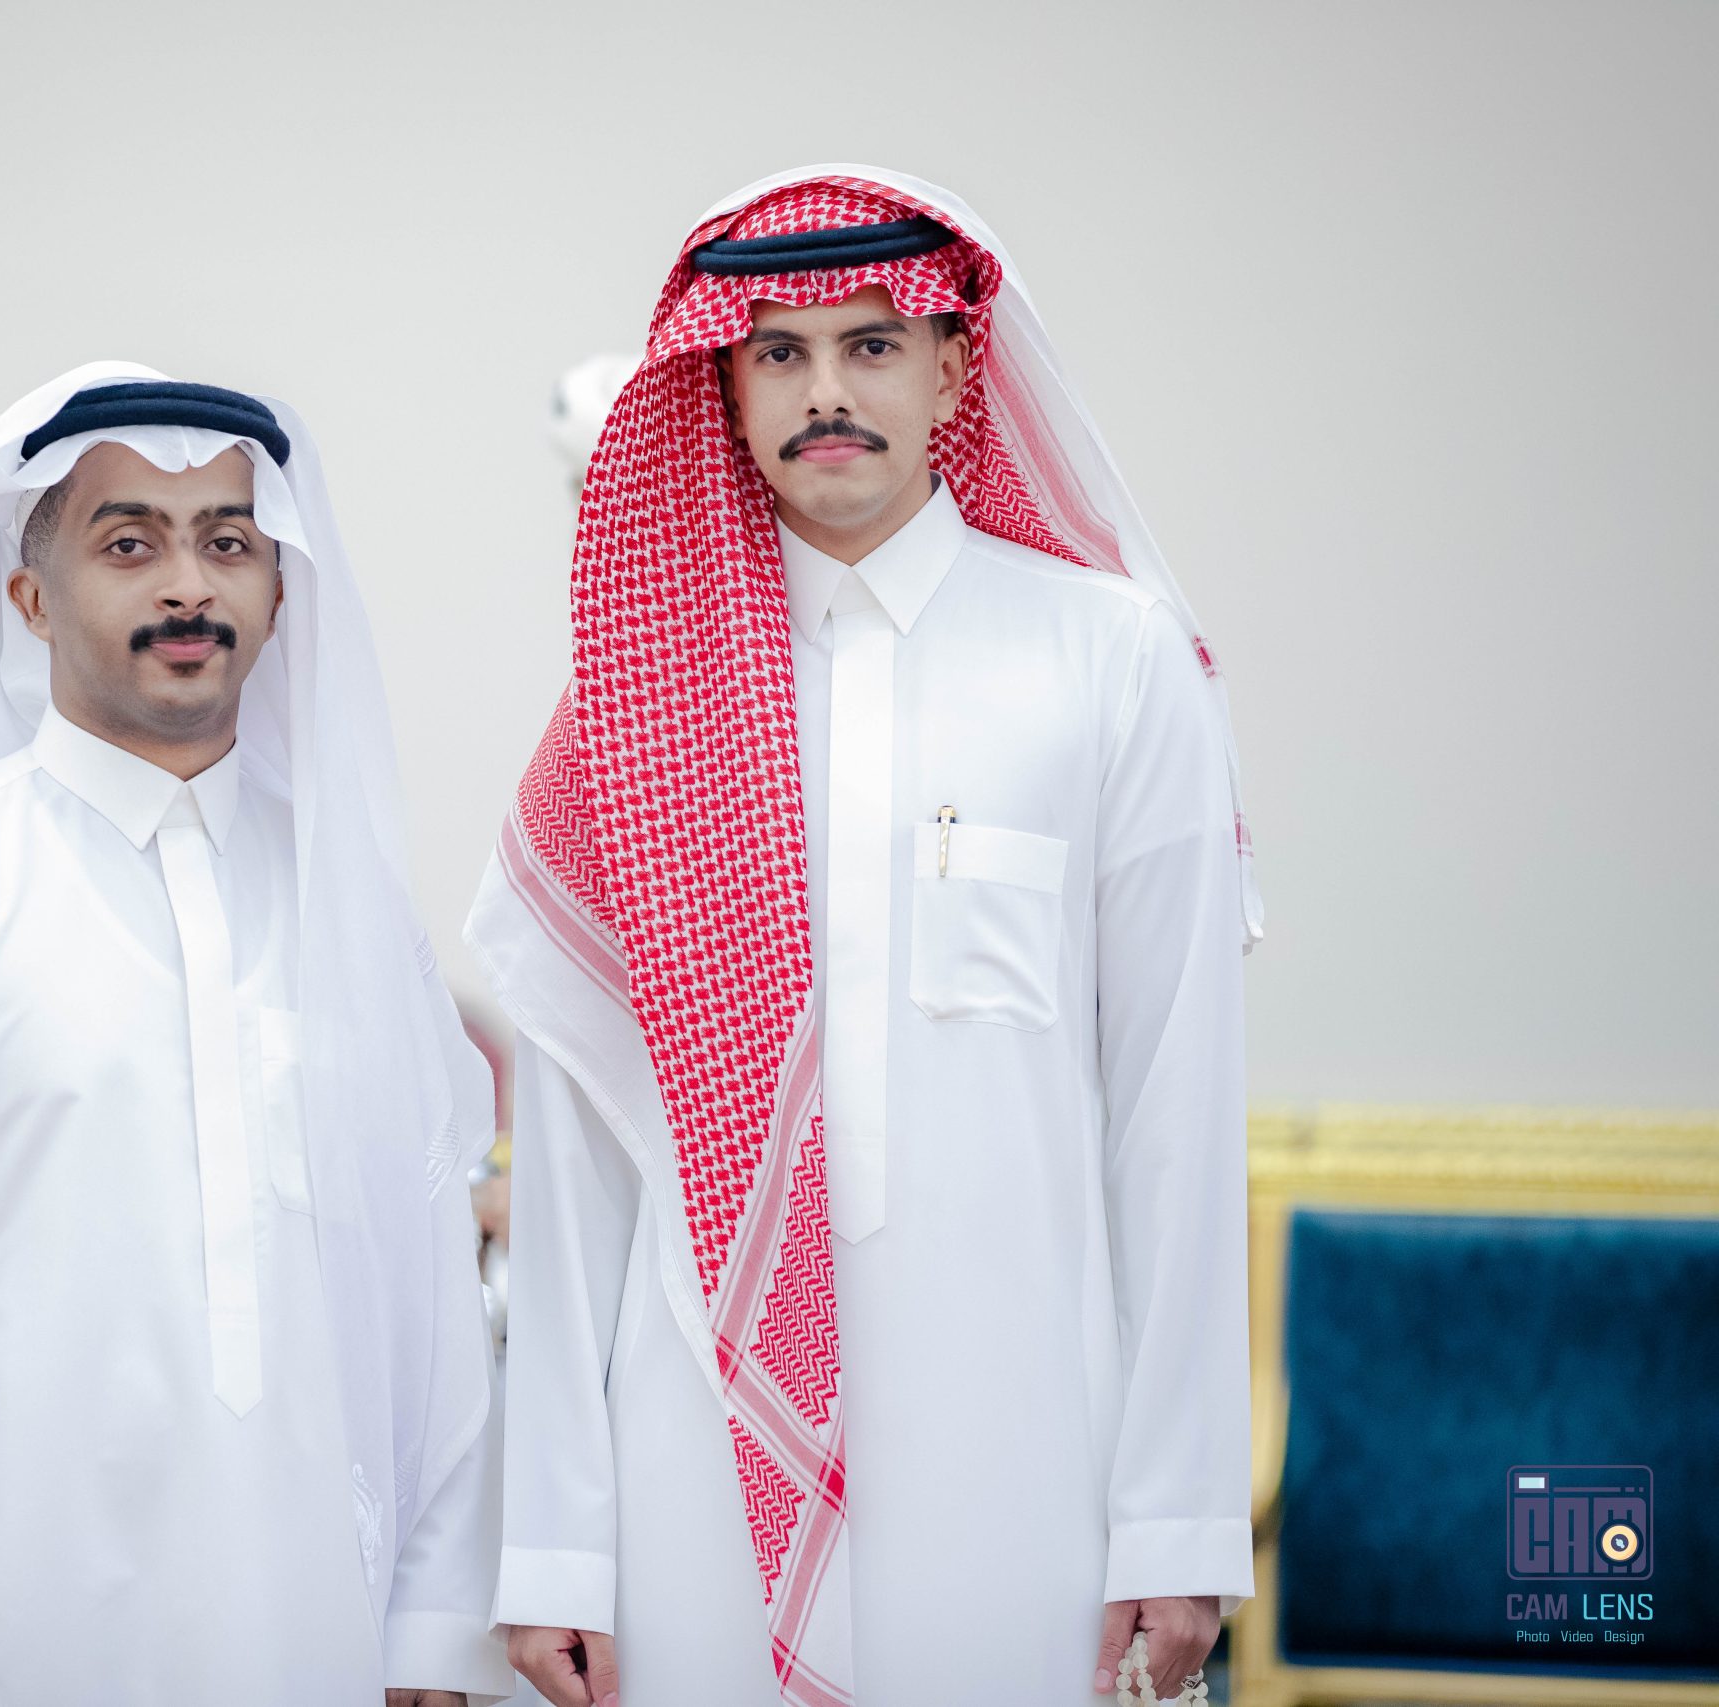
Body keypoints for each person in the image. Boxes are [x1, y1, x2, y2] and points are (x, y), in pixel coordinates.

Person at [465, 166, 1262, 1707]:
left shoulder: (1112, 660)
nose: (825, 390)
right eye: (780, 350)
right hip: (689, 1471)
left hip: (1032, 1457)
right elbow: (576, 1151)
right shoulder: (636, 699)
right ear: (725, 383)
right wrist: (558, 1538)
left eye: (871, 344)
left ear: (956, 367)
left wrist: (1177, 1517)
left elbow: (1176, 1110)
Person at [0, 365, 509, 1707]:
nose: (186, 585)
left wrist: (435, 1625)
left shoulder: (348, 909)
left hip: (320, 1637)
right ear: (30, 596)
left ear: (279, 592)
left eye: (228, 542)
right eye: (128, 543)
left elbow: (431, 1291)